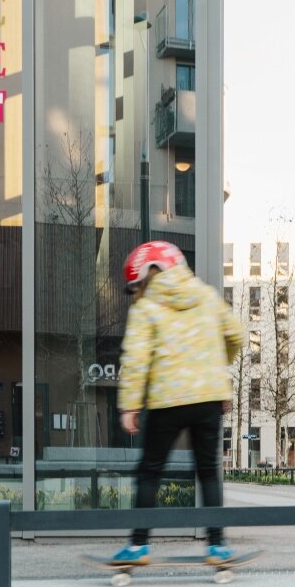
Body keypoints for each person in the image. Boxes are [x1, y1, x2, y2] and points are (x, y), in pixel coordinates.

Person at [111, 241, 242, 564]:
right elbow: (237, 334)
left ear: (147, 275)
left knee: (150, 471)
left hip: (166, 401)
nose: (137, 293)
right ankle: (217, 546)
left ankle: (139, 546)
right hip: (208, 398)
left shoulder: (146, 308)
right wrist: (218, 373)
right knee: (209, 471)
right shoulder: (207, 297)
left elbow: (136, 359)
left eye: (137, 285)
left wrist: (129, 406)